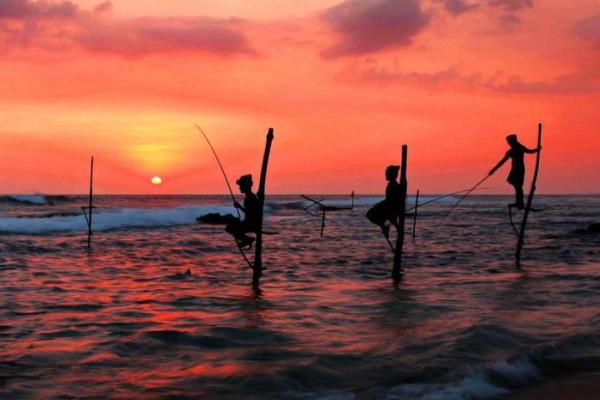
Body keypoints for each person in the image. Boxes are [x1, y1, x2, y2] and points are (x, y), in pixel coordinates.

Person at [489, 134, 541, 209]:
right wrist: (493, 170)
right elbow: (502, 162)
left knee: (518, 186)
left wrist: (537, 149)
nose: (508, 144)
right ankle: (519, 201)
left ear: (513, 141)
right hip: (515, 169)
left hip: (518, 169)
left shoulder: (517, 149)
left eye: (509, 142)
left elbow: (530, 151)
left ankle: (520, 202)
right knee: (515, 184)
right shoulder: (514, 150)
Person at [366, 165, 402, 238]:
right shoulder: (393, 184)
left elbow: (392, 200)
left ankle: (384, 226)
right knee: (375, 214)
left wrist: (382, 204)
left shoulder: (393, 185)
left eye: (387, 173)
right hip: (391, 206)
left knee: (370, 214)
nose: (386, 175)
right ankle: (386, 226)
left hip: (391, 207)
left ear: (391, 175)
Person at [226, 174, 260, 249]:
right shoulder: (251, 196)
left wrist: (239, 206)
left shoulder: (249, 198)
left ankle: (247, 240)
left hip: (250, 224)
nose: (239, 188)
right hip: (250, 223)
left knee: (229, 228)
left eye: (241, 186)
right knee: (230, 220)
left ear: (245, 186)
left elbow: (250, 213)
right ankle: (247, 240)